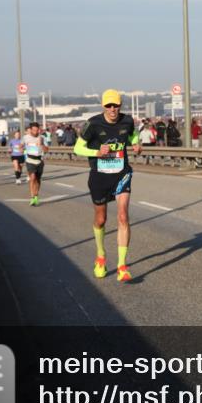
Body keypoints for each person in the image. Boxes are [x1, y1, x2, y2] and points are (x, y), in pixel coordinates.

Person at [73, 90, 142, 283]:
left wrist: (136, 144)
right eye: (109, 106)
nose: (113, 109)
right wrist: (97, 152)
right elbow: (77, 148)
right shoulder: (93, 124)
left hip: (121, 174)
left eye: (116, 105)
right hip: (99, 176)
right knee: (101, 219)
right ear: (103, 106)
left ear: (120, 105)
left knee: (122, 216)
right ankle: (101, 255)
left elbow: (133, 136)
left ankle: (122, 266)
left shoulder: (127, 121)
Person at [23, 122, 49, 205]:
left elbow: (46, 150)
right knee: (32, 177)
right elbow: (21, 145)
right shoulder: (25, 137)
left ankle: (36, 196)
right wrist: (20, 148)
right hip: (30, 160)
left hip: (39, 160)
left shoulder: (42, 137)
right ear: (30, 130)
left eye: (37, 130)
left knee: (38, 180)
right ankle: (32, 197)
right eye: (34, 130)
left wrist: (41, 144)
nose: (35, 132)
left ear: (39, 130)